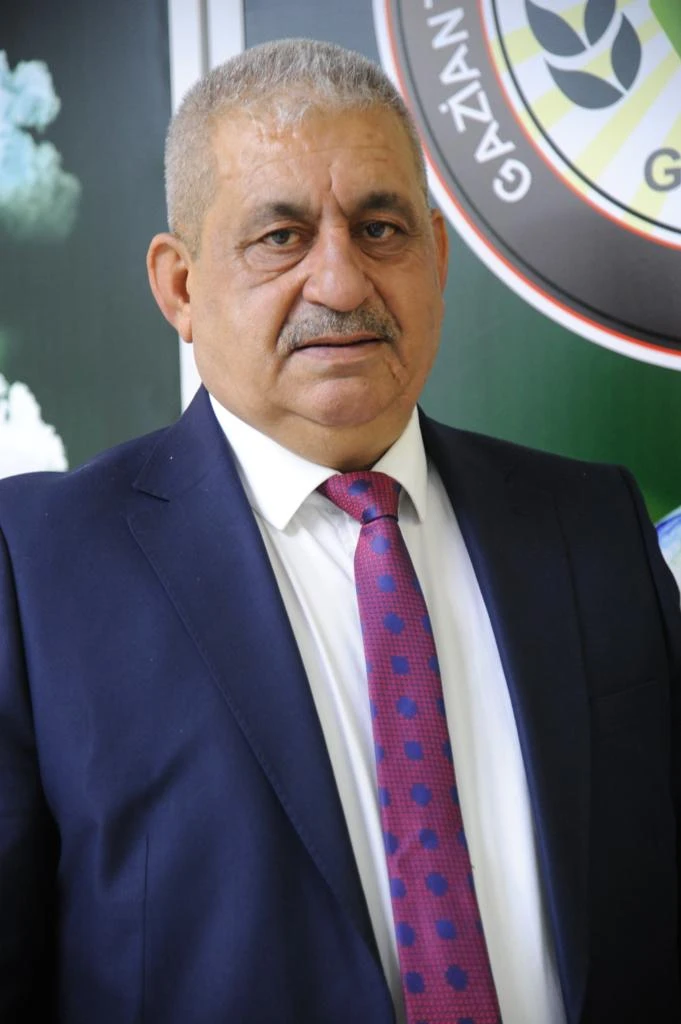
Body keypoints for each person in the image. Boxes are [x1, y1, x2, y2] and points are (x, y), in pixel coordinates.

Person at [0, 38, 679, 1024]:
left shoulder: (594, 528)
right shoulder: (35, 569)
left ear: (436, 256)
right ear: (180, 286)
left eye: (380, 228)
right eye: (281, 236)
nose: (342, 282)